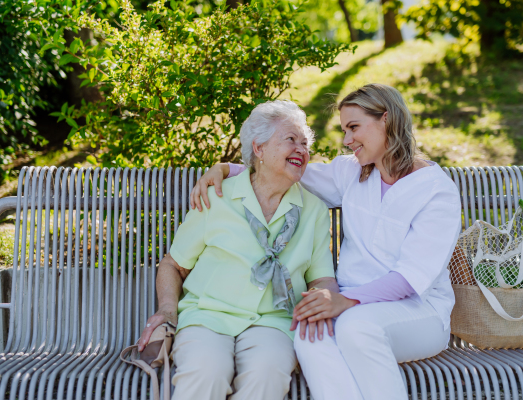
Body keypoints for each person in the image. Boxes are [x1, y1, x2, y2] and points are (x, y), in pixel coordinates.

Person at [190, 83, 462, 400]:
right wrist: (225, 168)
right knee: (308, 335)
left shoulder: (435, 190)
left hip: (419, 312)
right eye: (344, 130)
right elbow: (286, 171)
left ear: (385, 120)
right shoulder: (352, 172)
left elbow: (411, 277)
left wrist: (345, 302)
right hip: (348, 307)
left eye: (354, 127)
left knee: (356, 328)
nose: (347, 141)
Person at [138, 100, 338, 400]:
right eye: (290, 140)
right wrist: (167, 309)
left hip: (275, 321)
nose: (302, 150)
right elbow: (173, 264)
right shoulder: (217, 197)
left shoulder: (314, 211)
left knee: (267, 375)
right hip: (207, 315)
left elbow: (321, 279)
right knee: (206, 373)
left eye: (305, 143)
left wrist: (323, 298)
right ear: (258, 149)